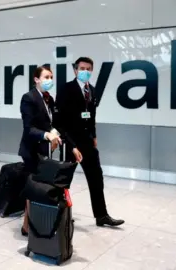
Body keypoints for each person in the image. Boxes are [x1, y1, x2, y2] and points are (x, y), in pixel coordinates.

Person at [54, 57, 124, 227]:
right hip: (70, 143)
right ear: (75, 70)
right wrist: (71, 145)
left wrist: (94, 136)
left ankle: (101, 215)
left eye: (88, 69)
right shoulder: (66, 89)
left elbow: (91, 116)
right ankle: (58, 213)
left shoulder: (91, 90)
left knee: (96, 177)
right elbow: (58, 121)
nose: (85, 71)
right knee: (64, 180)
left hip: (87, 142)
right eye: (82, 68)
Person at [18, 65, 62, 236]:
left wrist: (54, 135)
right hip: (30, 151)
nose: (49, 80)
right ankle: (27, 226)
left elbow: (52, 123)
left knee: (38, 188)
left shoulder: (49, 99)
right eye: (46, 77)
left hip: (44, 151)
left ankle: (33, 223)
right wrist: (46, 136)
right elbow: (29, 129)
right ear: (36, 79)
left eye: (51, 77)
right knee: (33, 188)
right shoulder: (28, 98)